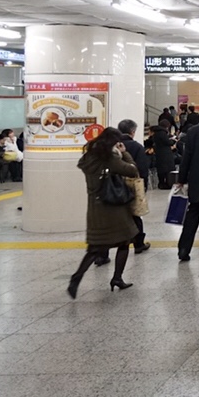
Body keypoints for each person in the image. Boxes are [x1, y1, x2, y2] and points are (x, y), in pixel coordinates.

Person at [68, 127, 139, 296]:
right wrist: (125, 153)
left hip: (95, 208)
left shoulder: (89, 157)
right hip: (113, 208)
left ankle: (77, 277)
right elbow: (132, 171)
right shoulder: (109, 158)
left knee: (95, 247)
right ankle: (117, 278)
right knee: (125, 241)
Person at [175, 112, 199, 262]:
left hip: (198, 180)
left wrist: (181, 178)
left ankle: (184, 249)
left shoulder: (194, 131)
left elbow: (187, 158)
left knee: (193, 214)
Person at [117, 119, 153, 254]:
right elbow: (142, 168)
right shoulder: (137, 147)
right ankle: (138, 244)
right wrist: (143, 186)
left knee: (112, 216)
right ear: (132, 132)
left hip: (114, 185)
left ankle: (102, 254)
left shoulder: (112, 146)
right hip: (132, 185)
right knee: (135, 215)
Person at [149, 116, 178, 190]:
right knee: (167, 169)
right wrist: (173, 141)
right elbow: (167, 142)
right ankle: (167, 183)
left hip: (159, 152)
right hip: (165, 153)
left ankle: (162, 183)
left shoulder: (156, 132)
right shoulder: (162, 133)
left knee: (161, 169)